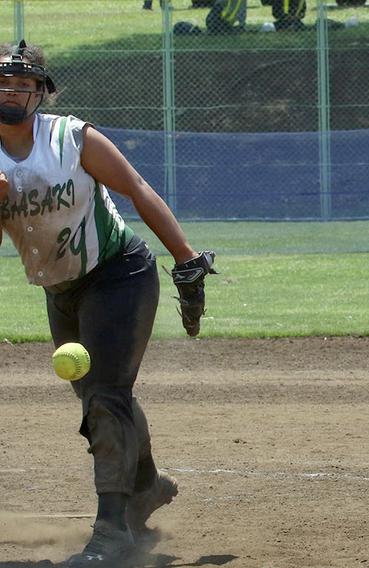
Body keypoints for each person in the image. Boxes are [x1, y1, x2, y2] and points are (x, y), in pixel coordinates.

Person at [0, 41, 216, 567]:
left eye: (24, 84)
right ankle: (144, 486)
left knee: (105, 396)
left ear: (40, 93)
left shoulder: (71, 138)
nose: (12, 92)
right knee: (99, 398)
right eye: (3, 84)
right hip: (61, 291)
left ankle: (111, 533)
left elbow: (137, 188)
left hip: (119, 275)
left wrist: (185, 258)